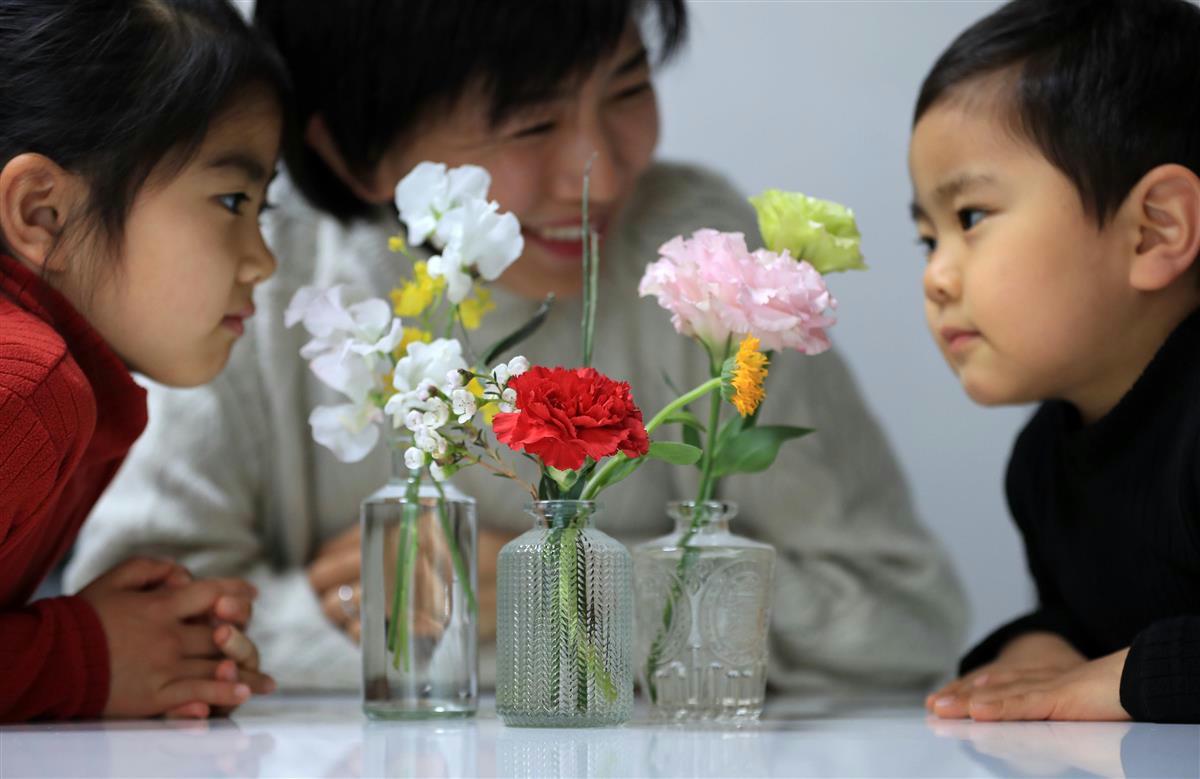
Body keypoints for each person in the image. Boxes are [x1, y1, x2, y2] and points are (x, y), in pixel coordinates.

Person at [66, 0, 967, 693]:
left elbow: (907, 614)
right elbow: (137, 627)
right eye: (532, 125)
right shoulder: (256, 285)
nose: (604, 172)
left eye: (627, 88)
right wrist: (367, 612)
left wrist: (584, 598)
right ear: (351, 151)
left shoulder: (705, 269)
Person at [911, 0, 1200, 724]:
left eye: (970, 218)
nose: (935, 276)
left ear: (1153, 231)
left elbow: (1129, 665)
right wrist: (1043, 644)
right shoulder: (1044, 460)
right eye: (928, 237)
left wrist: (1134, 678)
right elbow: (1097, 623)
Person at [0, 0, 285, 721]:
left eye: (263, 209)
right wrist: (84, 657)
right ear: (43, 214)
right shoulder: (24, 384)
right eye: (230, 200)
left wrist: (150, 648)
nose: (263, 260)